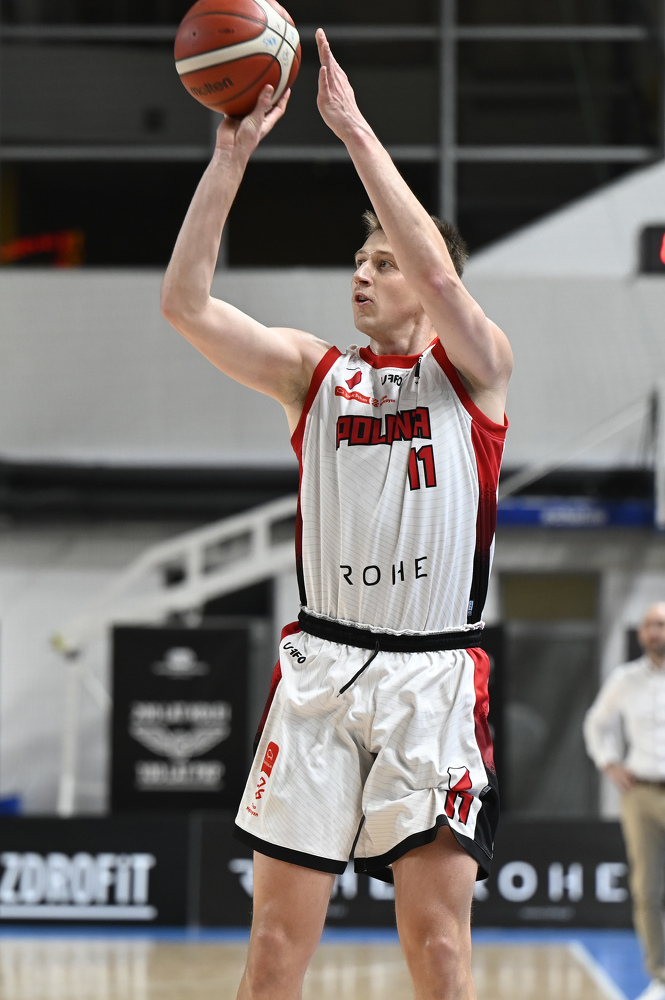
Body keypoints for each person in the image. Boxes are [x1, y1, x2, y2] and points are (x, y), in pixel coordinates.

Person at [161, 28, 512, 1000]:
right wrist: (228, 159)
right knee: (275, 949)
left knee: (438, 951)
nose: (363, 272)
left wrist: (353, 130)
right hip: (321, 668)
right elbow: (185, 303)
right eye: (358, 259)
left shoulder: (475, 372)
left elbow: (440, 278)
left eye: (383, 261)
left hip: (433, 675)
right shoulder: (312, 374)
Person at [584, 602, 665, 1000]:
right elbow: (595, 723)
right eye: (649, 625)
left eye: (661, 624)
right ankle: (660, 976)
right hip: (641, 793)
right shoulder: (626, 679)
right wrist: (609, 763)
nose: (654, 631)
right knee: (646, 888)